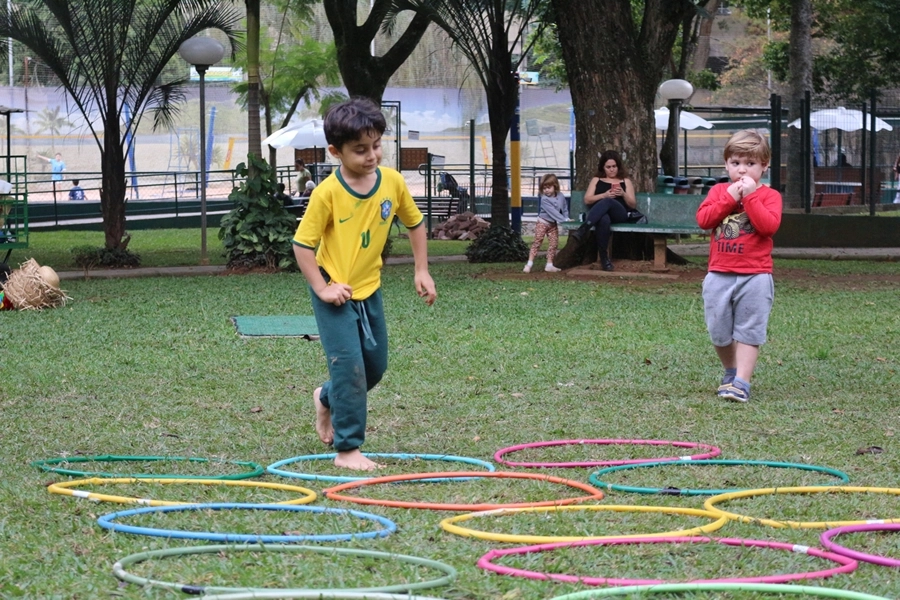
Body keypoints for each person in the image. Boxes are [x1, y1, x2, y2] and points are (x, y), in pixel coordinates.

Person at [292, 97, 437, 471]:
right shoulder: (327, 193)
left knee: (374, 367)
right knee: (349, 369)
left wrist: (421, 269)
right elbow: (302, 246)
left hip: (368, 288)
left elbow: (415, 223)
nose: (371, 155)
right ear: (335, 152)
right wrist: (323, 288)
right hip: (334, 293)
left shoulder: (393, 182)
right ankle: (348, 449)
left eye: (376, 145)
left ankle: (326, 397)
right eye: (360, 150)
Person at [696, 130, 782, 403]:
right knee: (719, 330)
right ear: (726, 164)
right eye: (736, 163)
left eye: (750, 163)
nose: (742, 170)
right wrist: (730, 198)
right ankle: (731, 371)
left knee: (749, 330)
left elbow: (768, 227)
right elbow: (704, 220)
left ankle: (742, 382)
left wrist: (751, 197)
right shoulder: (719, 192)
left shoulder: (769, 196)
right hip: (719, 273)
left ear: (764, 166)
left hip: (755, 275)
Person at [570, 150, 637, 271]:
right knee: (604, 219)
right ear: (603, 168)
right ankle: (604, 259)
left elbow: (632, 204)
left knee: (608, 201)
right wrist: (604, 195)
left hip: (619, 214)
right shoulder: (597, 180)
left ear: (618, 166)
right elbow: (587, 199)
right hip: (601, 214)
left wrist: (623, 194)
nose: (612, 170)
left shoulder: (625, 181)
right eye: (608, 167)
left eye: (614, 166)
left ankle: (584, 229)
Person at [524, 173, 568, 273]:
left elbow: (564, 207)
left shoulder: (561, 196)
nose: (546, 190)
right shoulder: (544, 199)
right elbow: (553, 212)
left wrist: (566, 217)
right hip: (542, 223)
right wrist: (563, 220)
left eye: (549, 187)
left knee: (554, 243)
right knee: (537, 242)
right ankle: (529, 264)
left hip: (553, 224)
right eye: (544, 188)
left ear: (555, 186)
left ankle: (549, 265)